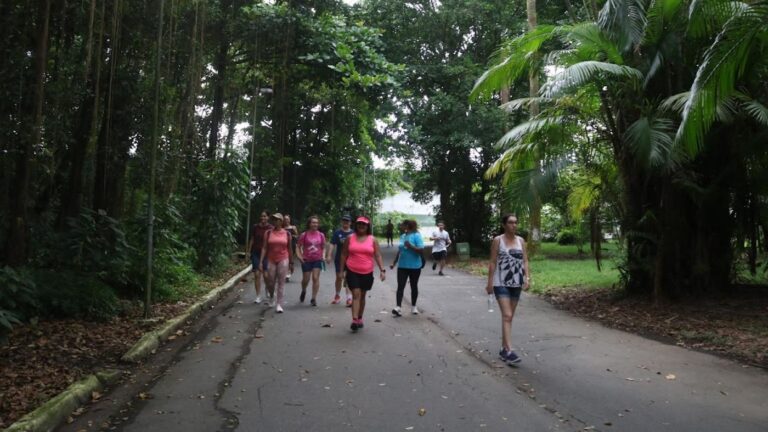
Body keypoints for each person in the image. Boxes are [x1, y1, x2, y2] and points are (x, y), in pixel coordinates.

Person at [486, 214, 530, 365]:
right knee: (507, 315)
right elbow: (492, 262)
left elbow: (525, 260)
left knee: (509, 318)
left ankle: (503, 350)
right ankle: (509, 350)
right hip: (501, 282)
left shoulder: (521, 241)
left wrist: (527, 278)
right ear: (504, 225)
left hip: (516, 282)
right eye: (511, 222)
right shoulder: (498, 240)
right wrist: (489, 282)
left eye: (516, 222)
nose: (514, 225)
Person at [340, 216, 386, 331]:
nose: (361, 226)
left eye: (364, 224)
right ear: (356, 225)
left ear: (367, 227)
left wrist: (382, 270)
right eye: (359, 224)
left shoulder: (372, 239)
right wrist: (341, 271)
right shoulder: (350, 238)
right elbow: (343, 254)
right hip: (352, 270)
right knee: (356, 294)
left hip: (367, 271)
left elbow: (378, 255)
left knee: (363, 295)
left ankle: (360, 317)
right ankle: (354, 320)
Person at [390, 219, 425, 316]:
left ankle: (414, 307)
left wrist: (411, 246)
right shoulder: (403, 236)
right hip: (402, 266)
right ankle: (398, 307)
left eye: (402, 225)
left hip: (415, 266)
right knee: (400, 286)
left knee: (414, 286)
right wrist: (394, 262)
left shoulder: (416, 235)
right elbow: (400, 250)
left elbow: (421, 250)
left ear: (407, 226)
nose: (400, 226)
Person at [261, 213, 293, 313]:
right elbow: (264, 247)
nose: (276, 221)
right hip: (271, 259)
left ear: (282, 221)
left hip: (283, 258)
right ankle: (271, 295)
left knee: (281, 282)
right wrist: (261, 261)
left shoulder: (287, 234)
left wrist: (291, 263)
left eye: (278, 219)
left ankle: (279, 303)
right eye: (274, 219)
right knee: (270, 281)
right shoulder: (268, 233)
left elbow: (290, 249)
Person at [296, 215, 326, 306]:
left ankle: (313, 298)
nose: (315, 224)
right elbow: (298, 247)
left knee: (315, 278)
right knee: (306, 279)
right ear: (309, 224)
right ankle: (304, 290)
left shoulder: (321, 235)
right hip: (306, 260)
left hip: (317, 260)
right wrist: (299, 256)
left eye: (316, 223)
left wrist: (323, 256)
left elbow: (323, 247)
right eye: (313, 222)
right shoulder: (304, 235)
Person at [327, 215, 355, 306]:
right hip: (339, 259)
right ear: (342, 222)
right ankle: (337, 296)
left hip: (351, 259)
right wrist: (329, 255)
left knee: (348, 278)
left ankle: (349, 298)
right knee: (339, 277)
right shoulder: (337, 233)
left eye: (347, 221)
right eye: (344, 221)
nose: (345, 223)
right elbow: (332, 244)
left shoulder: (354, 233)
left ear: (350, 223)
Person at [246, 211, 273, 304]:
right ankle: (258, 296)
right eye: (262, 216)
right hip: (256, 253)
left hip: (266, 254)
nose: (263, 218)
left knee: (266, 275)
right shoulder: (255, 227)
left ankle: (267, 288)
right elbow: (252, 239)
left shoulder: (270, 228)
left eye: (265, 216)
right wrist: (248, 252)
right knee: (257, 274)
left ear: (268, 217)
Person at [284, 214, 299, 282]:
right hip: (284, 246)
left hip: (292, 245)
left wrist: (291, 235)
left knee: (290, 261)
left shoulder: (293, 227)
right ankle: (286, 274)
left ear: (289, 220)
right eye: (285, 219)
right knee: (285, 260)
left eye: (287, 219)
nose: (286, 220)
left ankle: (289, 272)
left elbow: (297, 236)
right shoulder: (282, 228)